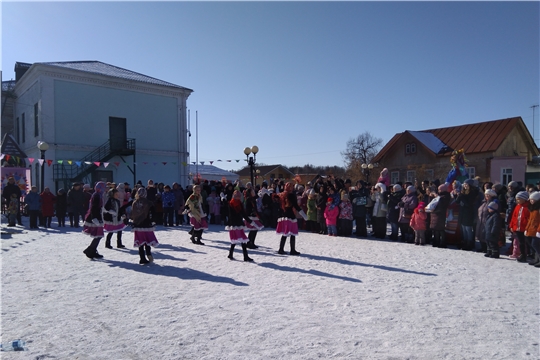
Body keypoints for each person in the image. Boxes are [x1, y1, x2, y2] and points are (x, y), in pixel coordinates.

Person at [276, 182, 307, 255]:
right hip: (290, 216)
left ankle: (281, 249)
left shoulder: (281, 195)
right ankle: (292, 250)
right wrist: (304, 215)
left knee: (285, 233)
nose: (293, 188)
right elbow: (296, 206)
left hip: (283, 216)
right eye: (292, 186)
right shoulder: (291, 195)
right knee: (292, 233)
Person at [130, 187, 159, 265]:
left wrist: (132, 221)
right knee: (148, 240)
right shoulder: (149, 203)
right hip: (147, 224)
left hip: (137, 225)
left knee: (140, 242)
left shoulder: (135, 202)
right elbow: (153, 213)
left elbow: (132, 213)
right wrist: (153, 221)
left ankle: (142, 258)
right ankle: (148, 253)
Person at [226, 190, 255, 261]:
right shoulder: (231, 203)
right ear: (234, 196)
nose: (238, 197)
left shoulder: (240, 203)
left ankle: (231, 254)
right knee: (240, 240)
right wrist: (232, 224)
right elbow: (230, 215)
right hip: (234, 224)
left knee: (238, 240)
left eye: (239, 196)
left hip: (239, 223)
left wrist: (249, 221)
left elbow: (243, 213)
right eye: (236, 196)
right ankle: (245, 256)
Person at [82, 181, 107, 259]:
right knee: (98, 235)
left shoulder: (98, 195)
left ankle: (92, 250)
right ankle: (90, 250)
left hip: (96, 216)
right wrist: (94, 218)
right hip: (94, 217)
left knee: (98, 235)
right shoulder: (96, 195)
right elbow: (93, 208)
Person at [508, 191, 530, 263]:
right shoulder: (517, 206)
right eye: (517, 199)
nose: (517, 200)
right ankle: (522, 255)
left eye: (519, 199)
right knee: (521, 242)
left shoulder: (528, 207)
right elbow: (514, 217)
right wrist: (511, 225)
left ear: (524, 199)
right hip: (518, 228)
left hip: (525, 228)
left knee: (527, 242)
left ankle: (529, 255)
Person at [475, 189, 498, 253]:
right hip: (480, 220)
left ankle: (487, 248)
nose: (487, 195)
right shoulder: (483, 201)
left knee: (485, 235)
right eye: (486, 194)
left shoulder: (493, 202)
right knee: (480, 233)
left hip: (487, 220)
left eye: (488, 194)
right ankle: (482, 247)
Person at [525, 192, 540, 267]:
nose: (531, 201)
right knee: (533, 245)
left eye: (533, 199)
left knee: (536, 245)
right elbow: (530, 220)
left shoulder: (538, 208)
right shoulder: (532, 208)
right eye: (530, 199)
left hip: (537, 230)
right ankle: (536, 259)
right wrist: (526, 229)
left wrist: (539, 230)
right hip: (532, 229)